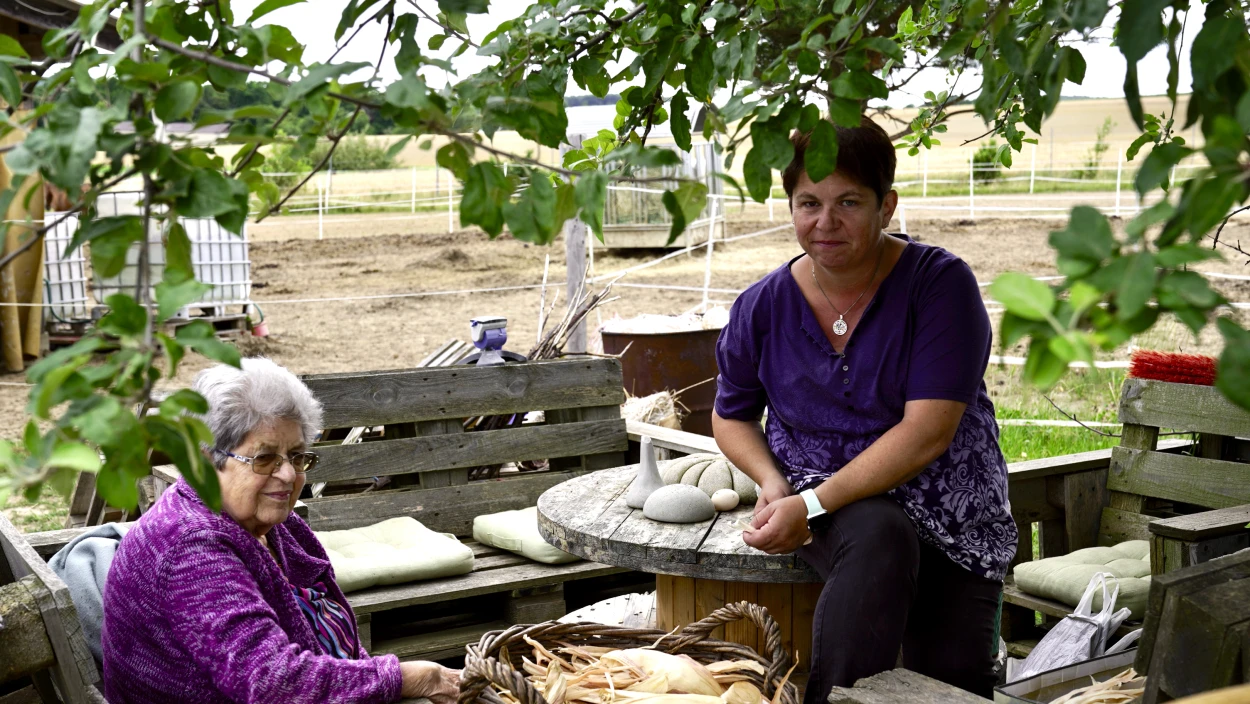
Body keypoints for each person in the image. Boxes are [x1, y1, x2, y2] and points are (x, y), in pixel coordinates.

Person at [712, 117, 1017, 700]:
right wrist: (774, 482)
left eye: (848, 201)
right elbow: (730, 414)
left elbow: (929, 431)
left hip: (950, 507)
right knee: (880, 534)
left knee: (952, 686)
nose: (824, 223)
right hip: (831, 499)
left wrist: (808, 503)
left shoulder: (938, 285)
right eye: (809, 202)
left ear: (887, 206)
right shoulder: (762, 306)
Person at [101, 357, 460, 704]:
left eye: (298, 456)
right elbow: (274, 684)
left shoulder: (276, 526)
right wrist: (409, 678)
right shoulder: (191, 547)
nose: (288, 475)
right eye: (264, 458)